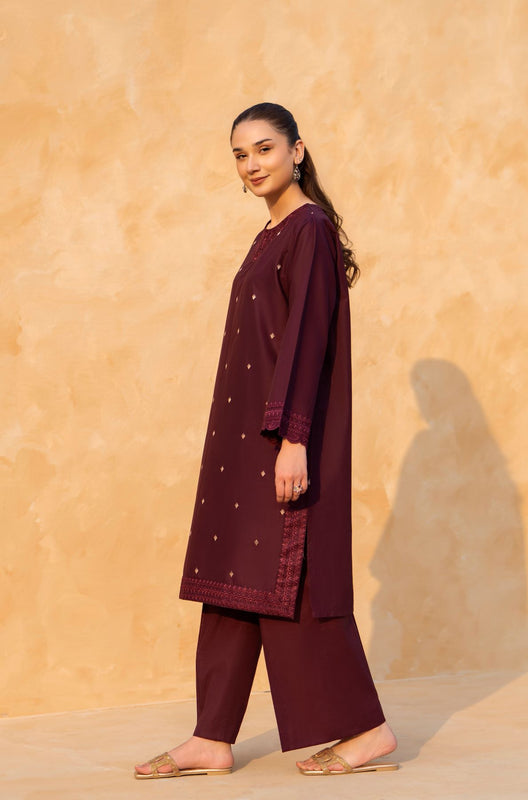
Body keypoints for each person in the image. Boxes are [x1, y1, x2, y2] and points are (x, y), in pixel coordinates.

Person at [134, 102, 398, 779]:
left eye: (264, 149)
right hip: (244, 439)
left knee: (295, 577)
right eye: (239, 154)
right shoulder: (270, 234)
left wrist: (293, 439)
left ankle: (367, 730)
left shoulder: (309, 229)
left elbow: (307, 339)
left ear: (296, 152)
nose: (252, 165)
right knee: (233, 578)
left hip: (281, 435)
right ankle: (211, 736)